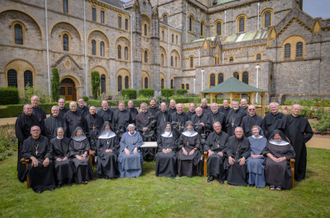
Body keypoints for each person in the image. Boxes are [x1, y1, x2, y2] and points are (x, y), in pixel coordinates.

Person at [21, 126, 55, 193]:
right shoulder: (26, 141)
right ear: (31, 132)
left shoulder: (45, 139)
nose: (35, 132)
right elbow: (24, 152)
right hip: (33, 160)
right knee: (34, 166)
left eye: (37, 130)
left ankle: (49, 186)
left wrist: (47, 158)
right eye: (34, 130)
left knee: (50, 164)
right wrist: (32, 158)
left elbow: (50, 150)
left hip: (44, 158)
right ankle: (37, 187)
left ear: (40, 131)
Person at [285, 104, 313, 181]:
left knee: (300, 159)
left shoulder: (304, 120)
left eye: (298, 109)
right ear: (292, 109)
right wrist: (285, 137)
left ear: (300, 111)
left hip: (299, 144)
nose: (296, 110)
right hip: (288, 143)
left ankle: (299, 176)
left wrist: (302, 140)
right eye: (295, 109)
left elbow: (310, 133)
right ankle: (288, 175)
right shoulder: (286, 119)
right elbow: (282, 130)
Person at [15, 104, 41, 182]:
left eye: (30, 108)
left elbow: (37, 128)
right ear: (24, 110)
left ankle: (35, 174)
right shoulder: (20, 118)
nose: (30, 109)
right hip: (24, 143)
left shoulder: (34, 117)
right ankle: (24, 175)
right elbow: (18, 132)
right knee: (25, 158)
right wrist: (25, 142)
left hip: (35, 141)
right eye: (28, 108)